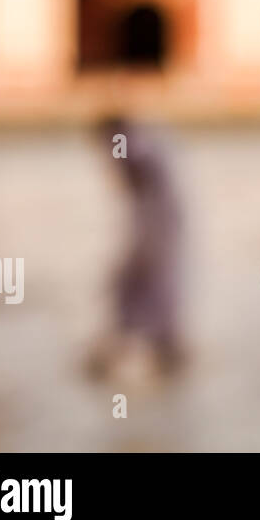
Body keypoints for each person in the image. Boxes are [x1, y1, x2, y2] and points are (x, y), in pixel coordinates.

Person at [87, 115, 186, 379]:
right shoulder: (146, 143)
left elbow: (137, 174)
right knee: (150, 293)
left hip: (154, 228)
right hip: (161, 227)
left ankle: (117, 355)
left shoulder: (131, 146)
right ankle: (166, 355)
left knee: (133, 290)